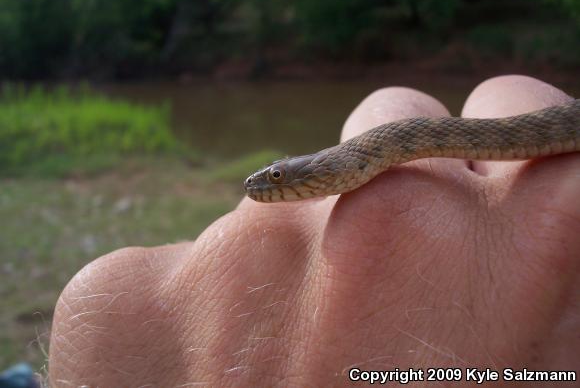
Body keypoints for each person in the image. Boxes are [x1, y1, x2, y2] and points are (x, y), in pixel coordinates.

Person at [48, 75, 580, 387]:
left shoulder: (379, 149)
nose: (261, 186)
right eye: (270, 176)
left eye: (277, 178)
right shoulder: (370, 153)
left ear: (329, 168)